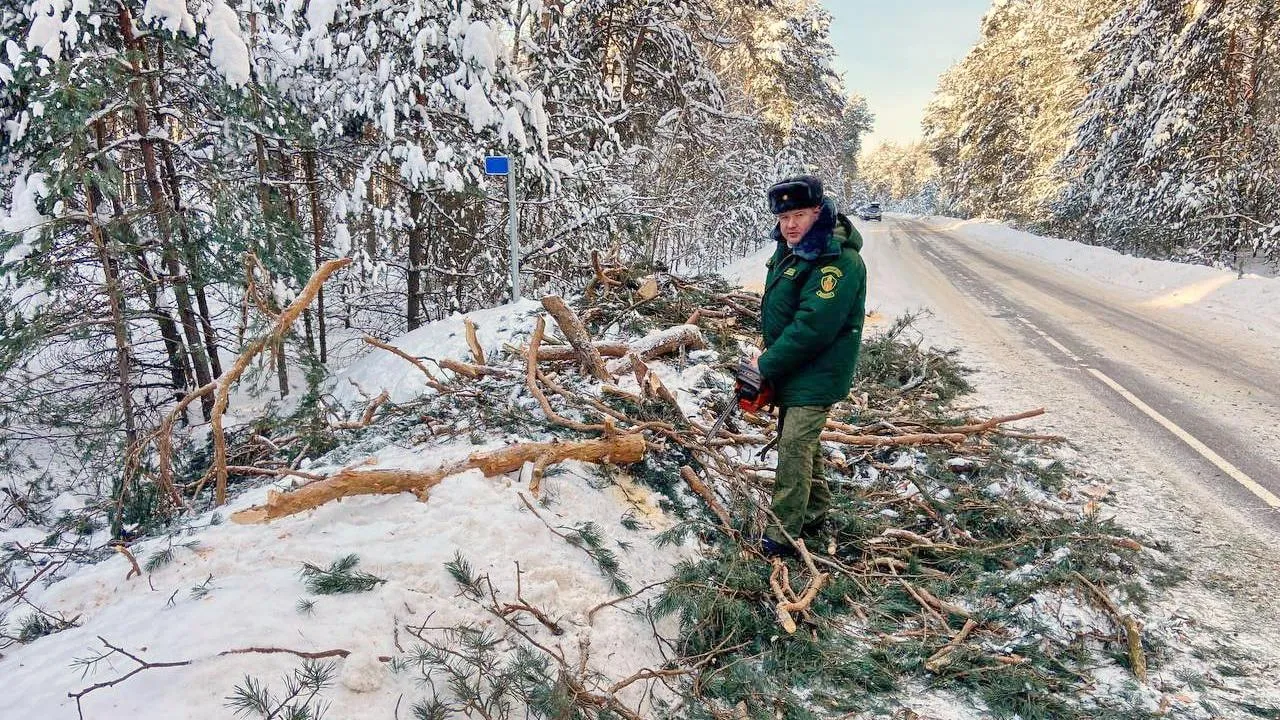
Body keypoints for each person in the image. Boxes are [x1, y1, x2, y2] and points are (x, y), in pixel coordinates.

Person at [753, 175, 867, 556]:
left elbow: (812, 328)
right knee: (802, 442)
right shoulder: (790, 248)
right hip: (793, 366)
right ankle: (815, 511)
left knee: (794, 445)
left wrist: (765, 365)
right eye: (784, 217)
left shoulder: (839, 260)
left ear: (818, 211)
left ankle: (782, 534)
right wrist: (767, 355)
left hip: (817, 371)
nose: (790, 224)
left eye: (799, 215)